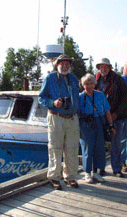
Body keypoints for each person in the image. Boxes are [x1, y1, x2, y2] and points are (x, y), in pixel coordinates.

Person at [38, 54, 80, 190]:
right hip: (56, 117)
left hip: (72, 118)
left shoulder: (73, 78)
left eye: (68, 64)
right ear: (57, 65)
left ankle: (70, 177)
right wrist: (53, 103)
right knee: (55, 148)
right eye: (62, 64)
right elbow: (41, 97)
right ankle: (55, 177)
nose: (65, 66)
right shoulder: (50, 78)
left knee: (72, 148)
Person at [95, 58, 127, 177]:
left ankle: (116, 168)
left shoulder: (118, 80)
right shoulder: (95, 79)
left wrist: (116, 114)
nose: (103, 69)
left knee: (116, 144)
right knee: (100, 144)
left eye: (106, 67)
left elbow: (124, 99)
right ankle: (101, 168)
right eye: (101, 67)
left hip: (116, 117)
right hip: (100, 117)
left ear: (110, 68)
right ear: (98, 68)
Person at [79, 73, 115, 183]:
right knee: (87, 148)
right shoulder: (80, 97)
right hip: (85, 124)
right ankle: (87, 172)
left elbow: (107, 111)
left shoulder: (100, 95)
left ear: (94, 84)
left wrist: (111, 125)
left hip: (99, 122)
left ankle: (96, 172)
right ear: (83, 85)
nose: (89, 86)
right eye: (86, 84)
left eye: (91, 83)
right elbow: (76, 114)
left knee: (99, 148)